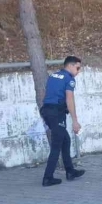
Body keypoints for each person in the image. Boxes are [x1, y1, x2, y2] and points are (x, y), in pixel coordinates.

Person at [40, 56, 86, 186]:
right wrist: (75, 121)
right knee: (57, 144)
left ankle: (70, 171)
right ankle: (47, 178)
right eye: (77, 68)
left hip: (47, 111)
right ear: (70, 66)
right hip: (56, 113)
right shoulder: (69, 79)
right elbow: (69, 99)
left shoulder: (54, 75)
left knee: (65, 140)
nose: (78, 71)